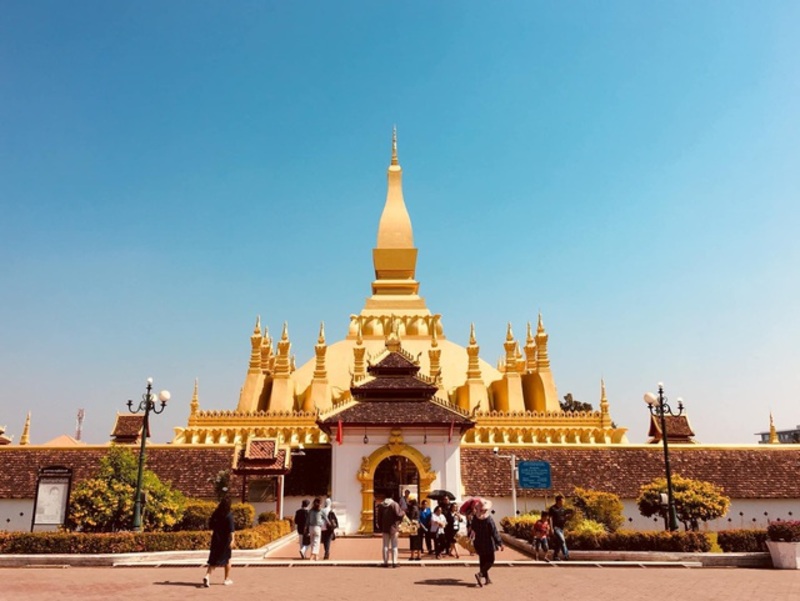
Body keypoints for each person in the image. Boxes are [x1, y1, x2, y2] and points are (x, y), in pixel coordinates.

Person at [203, 497, 235, 587]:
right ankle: (226, 579)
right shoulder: (228, 515)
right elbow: (231, 530)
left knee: (213, 559)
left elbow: (211, 524)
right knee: (227, 559)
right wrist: (233, 540)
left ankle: (207, 576)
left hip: (216, 539)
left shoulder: (216, 514)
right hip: (225, 540)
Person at [470, 499, 503, 587]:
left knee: (483, 560)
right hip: (488, 542)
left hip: (479, 541)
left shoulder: (475, 518)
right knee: (490, 561)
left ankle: (486, 579)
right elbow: (494, 532)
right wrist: (500, 543)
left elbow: (473, 529)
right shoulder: (488, 519)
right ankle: (480, 574)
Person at [377, 496, 405, 567]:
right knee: (394, 546)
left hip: (384, 528)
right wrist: (403, 512)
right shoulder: (394, 504)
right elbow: (398, 514)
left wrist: (380, 527)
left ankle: (385, 562)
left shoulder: (381, 505)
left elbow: (379, 518)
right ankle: (394, 562)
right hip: (394, 527)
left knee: (385, 545)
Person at [548, 495, 574, 561]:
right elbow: (550, 519)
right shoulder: (552, 508)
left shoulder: (563, 509)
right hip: (555, 527)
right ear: (559, 501)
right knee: (562, 540)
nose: (564, 501)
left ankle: (555, 556)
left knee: (559, 542)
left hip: (561, 528)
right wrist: (551, 528)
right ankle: (566, 555)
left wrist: (570, 516)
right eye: (562, 500)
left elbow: (565, 518)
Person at [406, 495, 422, 560]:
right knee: (418, 540)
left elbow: (411, 517)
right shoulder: (418, 507)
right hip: (417, 525)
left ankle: (412, 556)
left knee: (413, 540)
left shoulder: (413, 508)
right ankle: (419, 555)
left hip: (413, 525)